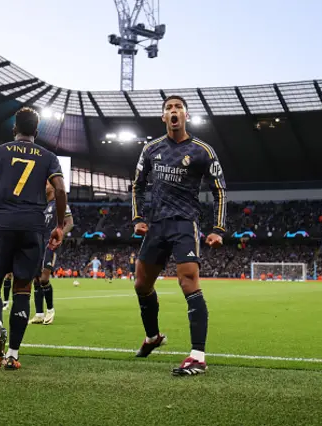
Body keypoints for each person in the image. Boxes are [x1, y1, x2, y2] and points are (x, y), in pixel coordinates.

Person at [131, 95, 227, 376]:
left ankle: (198, 356)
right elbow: (137, 184)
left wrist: (218, 228)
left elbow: (219, 188)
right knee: (141, 285)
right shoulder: (151, 149)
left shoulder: (201, 151)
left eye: (178, 108)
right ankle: (152, 337)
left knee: (188, 281)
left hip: (185, 223)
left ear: (186, 116)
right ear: (163, 117)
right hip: (157, 224)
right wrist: (137, 218)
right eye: (169, 108)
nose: (174, 112)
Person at [0, 107, 67, 370]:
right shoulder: (48, 157)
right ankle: (13, 355)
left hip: (1, 224)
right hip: (32, 227)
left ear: (14, 129)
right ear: (36, 132)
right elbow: (59, 189)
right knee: (23, 290)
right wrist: (59, 226)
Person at [30, 181, 74, 325]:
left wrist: (59, 234)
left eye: (47, 184)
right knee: (36, 279)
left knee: (43, 278)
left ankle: (50, 310)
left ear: (53, 187)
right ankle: (39, 314)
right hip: (38, 244)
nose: (44, 186)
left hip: (51, 245)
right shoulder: (44, 206)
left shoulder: (60, 203)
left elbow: (70, 223)